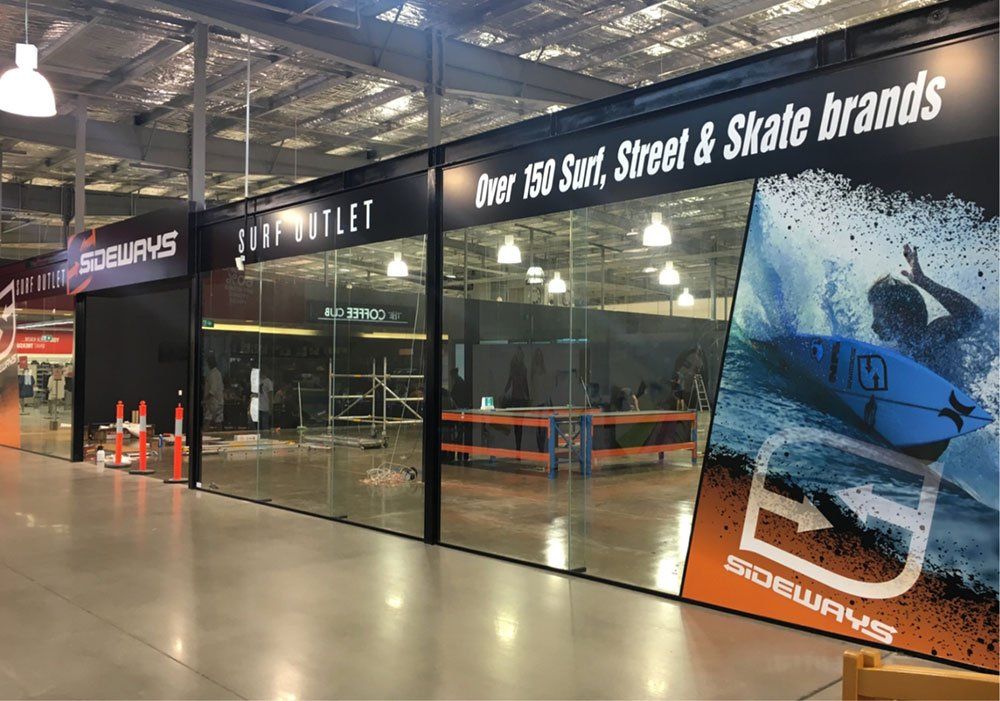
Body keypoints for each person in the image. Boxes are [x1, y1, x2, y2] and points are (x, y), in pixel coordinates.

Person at [868, 244, 982, 374]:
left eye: (880, 317)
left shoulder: (933, 336)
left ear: (902, 315)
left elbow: (973, 316)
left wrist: (923, 281)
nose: (873, 326)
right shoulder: (896, 350)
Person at [204, 354, 224, 429]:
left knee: (208, 419)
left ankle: (205, 432)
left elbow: (213, 390)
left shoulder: (213, 374)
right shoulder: (217, 373)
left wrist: (205, 399)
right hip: (218, 401)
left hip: (213, 401)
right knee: (218, 421)